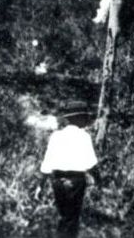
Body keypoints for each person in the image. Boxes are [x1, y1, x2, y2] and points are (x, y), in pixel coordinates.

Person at [40, 100, 98, 238]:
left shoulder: (56, 136)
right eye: (84, 117)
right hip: (76, 181)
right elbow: (91, 163)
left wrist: (40, 185)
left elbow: (47, 164)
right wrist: (98, 179)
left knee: (63, 216)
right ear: (77, 118)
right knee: (72, 219)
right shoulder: (84, 137)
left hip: (58, 182)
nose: (86, 120)